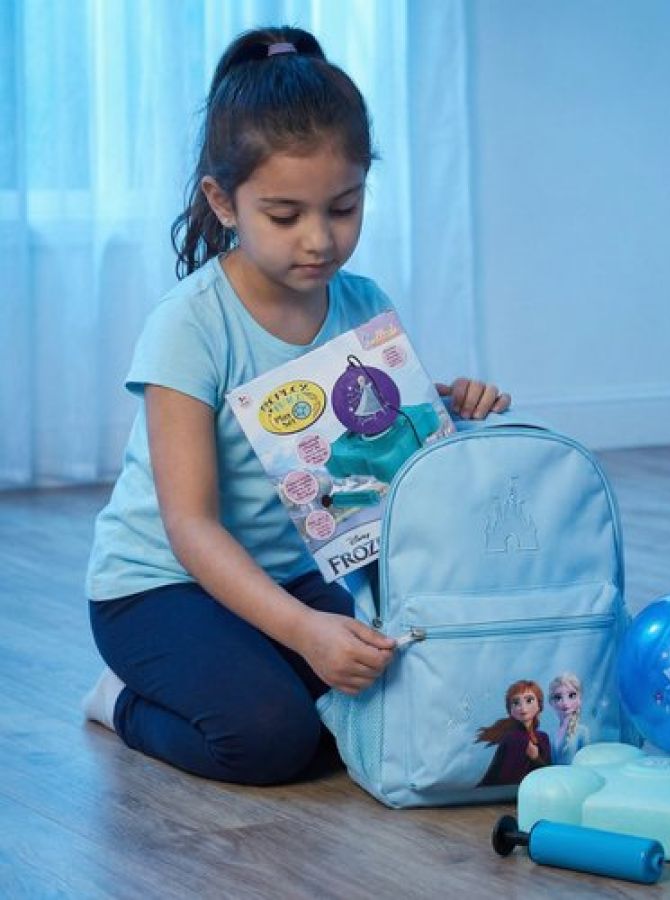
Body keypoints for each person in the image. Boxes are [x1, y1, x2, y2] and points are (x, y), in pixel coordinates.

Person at [82, 26, 511, 786]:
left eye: (343, 207)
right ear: (223, 201)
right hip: (159, 587)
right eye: (285, 216)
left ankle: (263, 664)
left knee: (390, 706)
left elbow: (382, 443)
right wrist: (305, 631)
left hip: (290, 575)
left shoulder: (363, 304)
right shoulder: (190, 326)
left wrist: (446, 409)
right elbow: (189, 527)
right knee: (272, 740)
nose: (319, 240)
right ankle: (119, 701)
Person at [476, 680, 551, 786]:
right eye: (516, 703)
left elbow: (548, 774)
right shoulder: (513, 738)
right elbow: (507, 778)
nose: (522, 707)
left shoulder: (543, 737)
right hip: (507, 792)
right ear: (510, 710)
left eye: (529, 700)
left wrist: (535, 758)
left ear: (539, 705)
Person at [548, 672, 591, 764]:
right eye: (558, 697)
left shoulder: (582, 732)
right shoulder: (552, 733)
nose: (565, 703)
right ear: (552, 702)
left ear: (579, 700)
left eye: (571, 696)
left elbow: (586, 762)